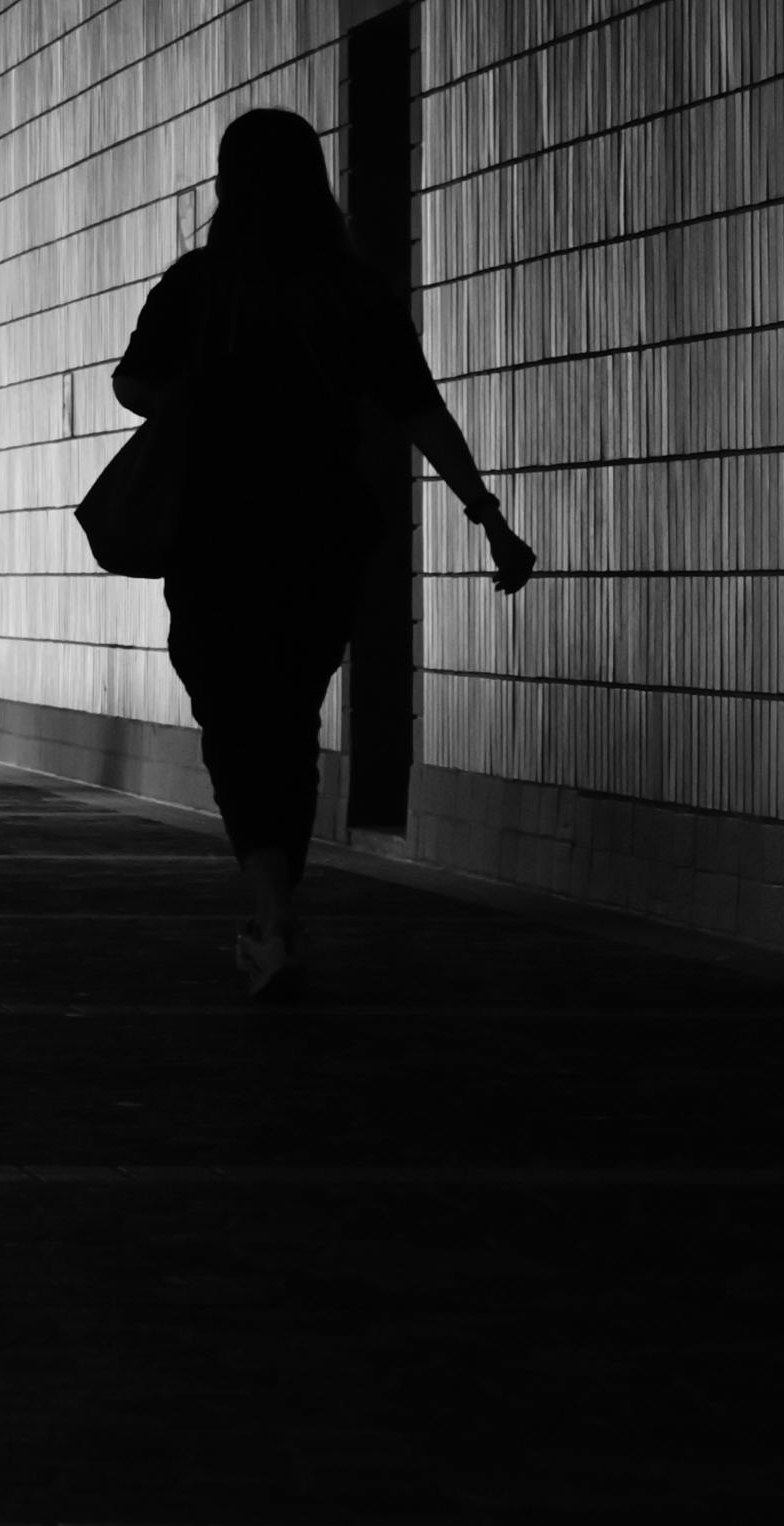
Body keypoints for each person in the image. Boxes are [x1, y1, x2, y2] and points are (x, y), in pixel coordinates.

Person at [111, 107, 538, 993]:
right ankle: (277, 912)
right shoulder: (354, 290)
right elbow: (421, 408)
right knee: (291, 720)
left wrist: (196, 397)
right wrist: (485, 512)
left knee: (232, 715)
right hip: (322, 533)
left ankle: (270, 912)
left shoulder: (199, 283)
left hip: (217, 532)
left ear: (229, 185)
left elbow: (131, 381)